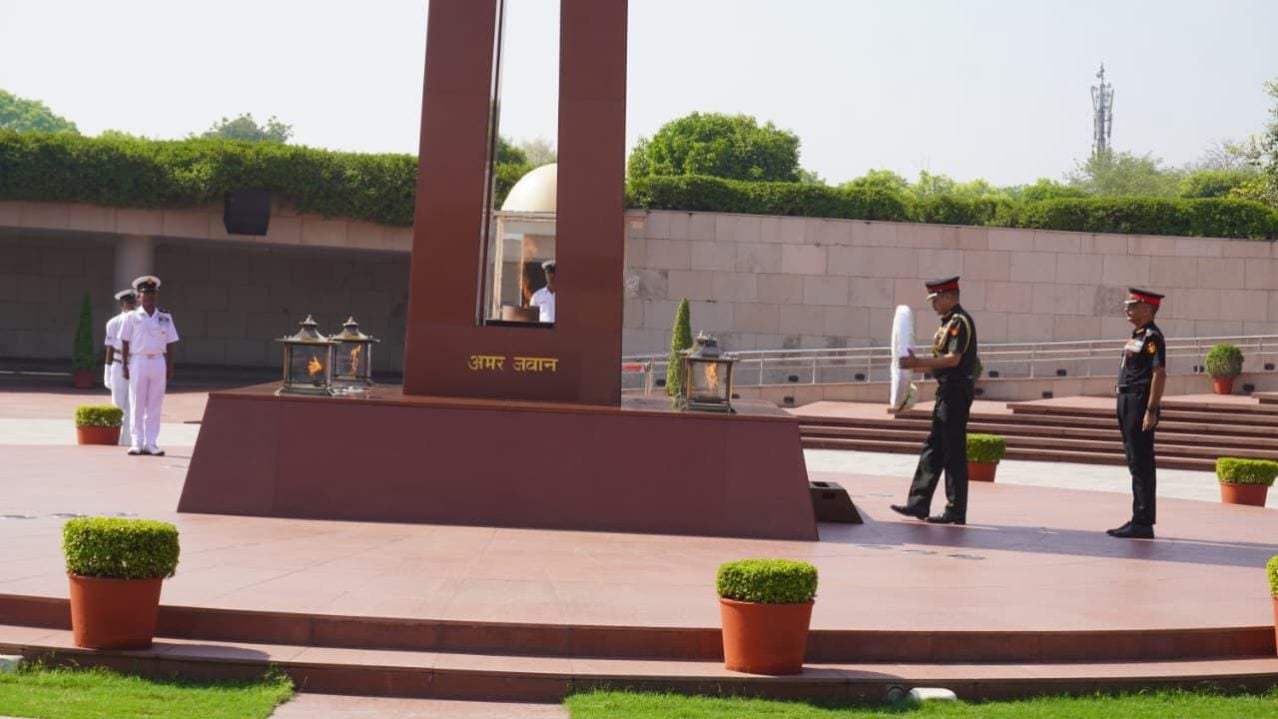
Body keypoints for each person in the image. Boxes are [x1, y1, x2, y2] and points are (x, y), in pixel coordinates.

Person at [890, 276, 978, 525]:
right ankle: (918, 503)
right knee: (934, 448)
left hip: (956, 391)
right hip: (947, 391)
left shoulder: (959, 321)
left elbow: (953, 360)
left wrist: (917, 363)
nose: (933, 304)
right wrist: (912, 368)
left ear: (949, 297)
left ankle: (955, 510)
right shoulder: (948, 322)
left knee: (953, 450)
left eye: (936, 299)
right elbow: (942, 361)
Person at [1107, 288, 1166, 540]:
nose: (1127, 308)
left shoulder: (1152, 337)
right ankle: (1138, 517)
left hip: (1139, 401)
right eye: (1128, 304)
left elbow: (1159, 373)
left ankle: (1143, 521)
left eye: (1133, 305)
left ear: (1148, 309)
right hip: (1126, 399)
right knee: (1134, 460)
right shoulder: (1138, 335)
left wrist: (1151, 410)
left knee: (1141, 462)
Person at [120, 275, 179, 457]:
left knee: (155, 403)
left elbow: (171, 342)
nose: (150, 297)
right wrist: (124, 365)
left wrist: (170, 366)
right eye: (146, 293)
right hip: (139, 360)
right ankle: (137, 442)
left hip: (158, 361)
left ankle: (151, 442)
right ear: (139, 296)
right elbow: (124, 341)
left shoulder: (165, 317)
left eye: (153, 294)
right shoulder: (131, 317)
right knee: (137, 402)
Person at [103, 289, 137, 447]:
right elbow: (109, 348)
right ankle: (114, 438)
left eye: (133, 302)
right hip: (117, 363)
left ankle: (127, 440)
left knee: (132, 405)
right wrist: (107, 372)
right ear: (122, 305)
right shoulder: (113, 322)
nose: (131, 305)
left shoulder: (139, 321)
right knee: (117, 404)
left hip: (135, 363)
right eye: (128, 303)